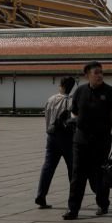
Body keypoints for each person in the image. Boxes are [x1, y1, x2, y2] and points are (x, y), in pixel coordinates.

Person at [63, 61, 112, 220]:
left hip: (102, 140)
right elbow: (74, 112)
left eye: (101, 72)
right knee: (77, 175)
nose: (100, 75)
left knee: (100, 174)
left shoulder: (109, 91)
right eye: (96, 72)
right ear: (87, 75)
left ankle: (103, 204)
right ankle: (73, 209)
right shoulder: (80, 91)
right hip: (81, 140)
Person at [35, 76, 76, 209]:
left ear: (61, 85)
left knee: (48, 167)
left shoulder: (51, 99)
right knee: (72, 168)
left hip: (51, 136)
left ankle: (41, 194)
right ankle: (74, 197)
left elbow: (46, 116)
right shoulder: (71, 101)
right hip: (67, 138)